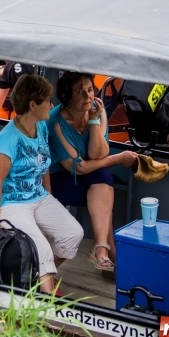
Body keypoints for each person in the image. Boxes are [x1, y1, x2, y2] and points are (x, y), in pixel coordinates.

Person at [0, 74, 83, 293]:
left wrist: (49, 196)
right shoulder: (8, 139)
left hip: (38, 196)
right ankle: (47, 301)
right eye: (48, 100)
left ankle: (37, 278)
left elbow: (43, 163)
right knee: (42, 250)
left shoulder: (41, 127)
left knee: (72, 234)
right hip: (12, 203)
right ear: (33, 105)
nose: (52, 104)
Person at [46, 71, 138, 274]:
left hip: (89, 177)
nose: (88, 96)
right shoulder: (55, 123)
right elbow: (77, 167)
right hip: (57, 181)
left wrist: (94, 121)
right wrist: (119, 158)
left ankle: (101, 249)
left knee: (102, 179)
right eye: (80, 92)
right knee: (104, 190)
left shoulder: (97, 109)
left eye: (90, 90)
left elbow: (99, 154)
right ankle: (108, 252)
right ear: (67, 97)